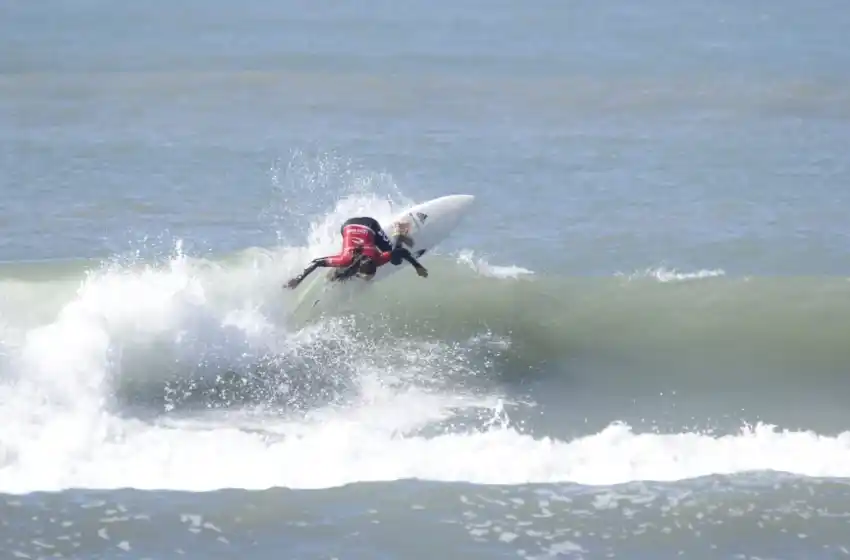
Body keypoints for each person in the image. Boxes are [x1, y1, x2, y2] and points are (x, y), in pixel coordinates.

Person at [284, 216, 428, 290]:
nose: (368, 278)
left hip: (361, 225)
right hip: (356, 225)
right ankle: (400, 229)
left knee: (395, 258)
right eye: (367, 276)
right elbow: (316, 262)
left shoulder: (377, 258)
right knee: (340, 269)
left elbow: (401, 251)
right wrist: (298, 279)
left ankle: (400, 230)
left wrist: (418, 267)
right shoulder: (346, 259)